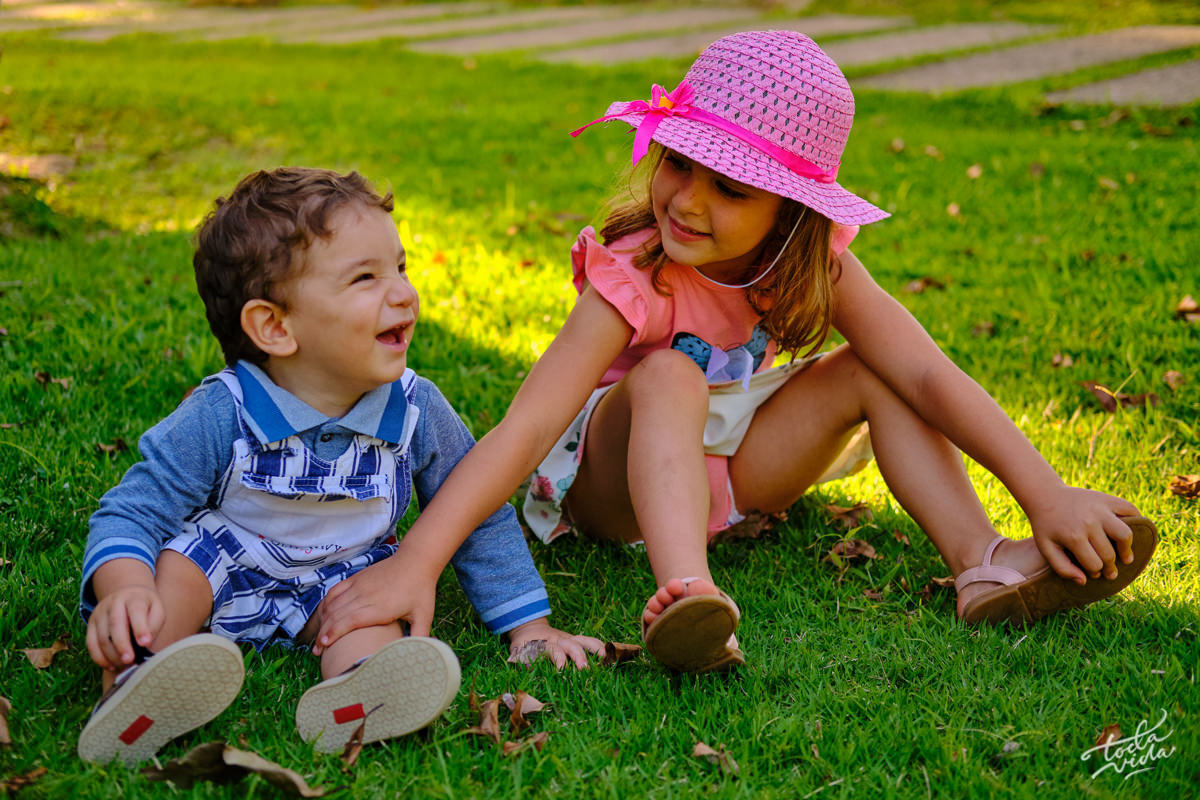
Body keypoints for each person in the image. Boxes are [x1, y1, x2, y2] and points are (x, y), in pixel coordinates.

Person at [313, 32, 1157, 674]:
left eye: (730, 186)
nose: (686, 200)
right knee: (670, 370)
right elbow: (526, 427)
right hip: (609, 486)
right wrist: (418, 561)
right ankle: (689, 594)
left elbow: (929, 372)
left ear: (792, 210)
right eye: (681, 163)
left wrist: (1045, 494)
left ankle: (981, 563)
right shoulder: (635, 273)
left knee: (875, 368)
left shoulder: (815, 262)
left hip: (728, 469)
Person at [77, 167, 603, 765]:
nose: (403, 293)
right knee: (175, 577)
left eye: (400, 268)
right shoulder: (225, 411)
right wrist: (124, 588)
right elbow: (135, 508)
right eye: (365, 278)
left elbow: (475, 511)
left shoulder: (414, 408)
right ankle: (140, 682)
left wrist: (527, 625)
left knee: (373, 627)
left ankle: (359, 694)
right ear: (275, 326)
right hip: (226, 563)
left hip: (346, 581)